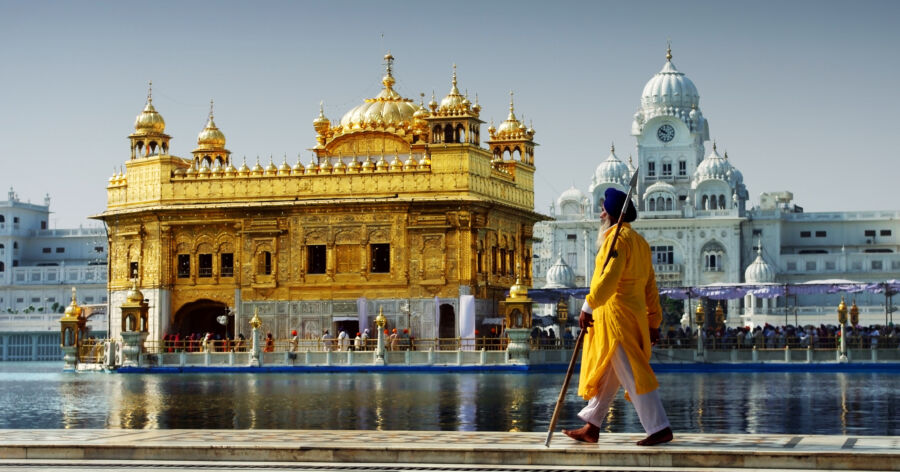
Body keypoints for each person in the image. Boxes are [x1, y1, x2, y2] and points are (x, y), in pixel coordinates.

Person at [563, 187, 673, 447]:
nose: (601, 213)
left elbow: (608, 279)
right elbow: (650, 287)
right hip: (631, 316)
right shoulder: (640, 243)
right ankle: (592, 425)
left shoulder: (617, 241)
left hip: (616, 318)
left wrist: (588, 306)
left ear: (612, 213)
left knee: (633, 373)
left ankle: (659, 427)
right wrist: (653, 321)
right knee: (609, 373)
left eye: (603, 209)